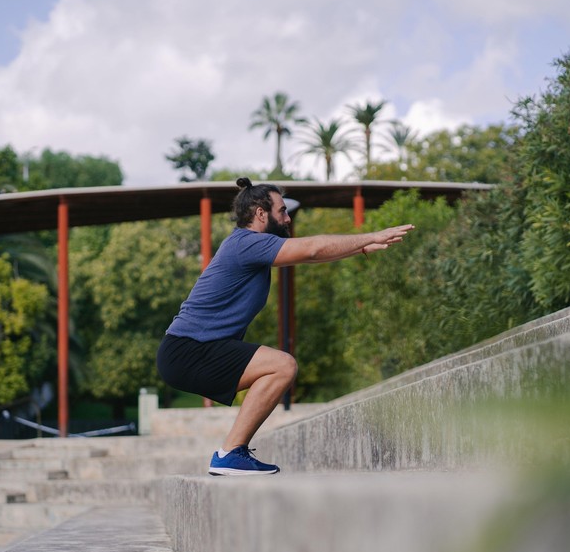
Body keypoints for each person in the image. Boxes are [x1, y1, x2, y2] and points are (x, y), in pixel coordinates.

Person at [156, 177, 415, 475]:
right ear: (260, 213)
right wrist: (371, 234)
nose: (288, 217)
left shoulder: (250, 247)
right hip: (188, 350)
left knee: (279, 366)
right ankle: (229, 453)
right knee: (282, 365)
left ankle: (230, 453)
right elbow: (313, 250)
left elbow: (310, 256)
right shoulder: (245, 244)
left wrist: (363, 246)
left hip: (187, 352)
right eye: (282, 211)